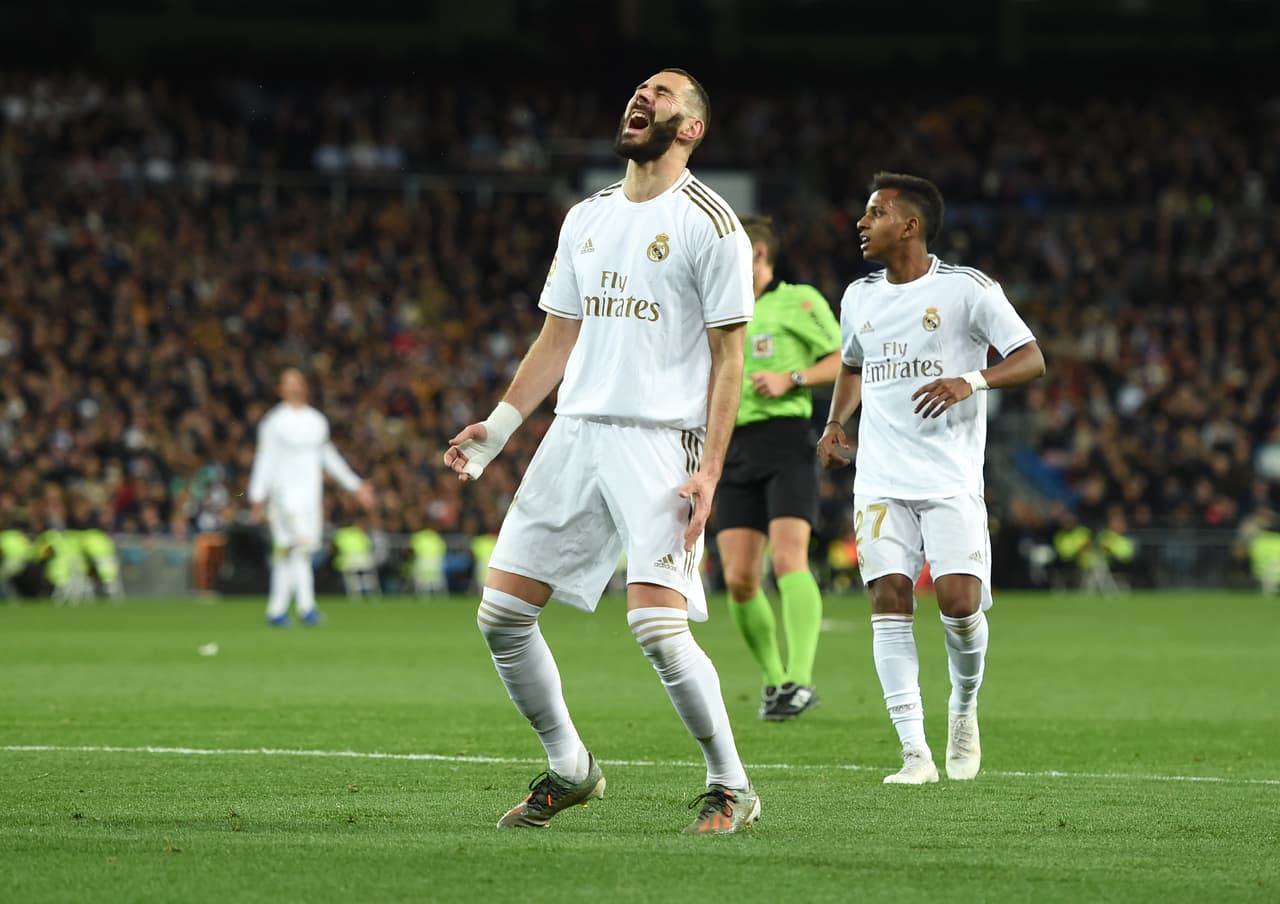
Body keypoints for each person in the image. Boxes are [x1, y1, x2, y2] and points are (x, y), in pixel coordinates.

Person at [444, 68, 760, 834]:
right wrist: (501, 426)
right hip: (576, 433)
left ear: (691, 128)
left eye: (664, 94)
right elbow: (559, 336)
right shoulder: (585, 217)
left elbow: (730, 360)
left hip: (661, 441)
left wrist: (711, 469)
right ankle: (572, 768)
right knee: (501, 615)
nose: (642, 97)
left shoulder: (712, 224)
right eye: (640, 89)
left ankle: (732, 786)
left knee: (656, 626)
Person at [817, 172, 1046, 784]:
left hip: (949, 479)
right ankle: (914, 752)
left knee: (959, 605)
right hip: (880, 480)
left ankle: (964, 706)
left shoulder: (968, 290)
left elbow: (1031, 358)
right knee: (889, 599)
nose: (862, 223)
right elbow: (851, 366)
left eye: (875, 213)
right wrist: (836, 424)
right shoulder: (859, 296)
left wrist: (969, 381)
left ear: (909, 226)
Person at [714, 215, 842, 721]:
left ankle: (802, 679)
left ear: (760, 256)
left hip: (786, 440)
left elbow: (841, 358)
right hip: (731, 446)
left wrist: (792, 377)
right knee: (741, 578)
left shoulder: (800, 300)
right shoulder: (719, 309)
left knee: (789, 559)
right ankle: (774, 682)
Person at [248, 368, 375, 626]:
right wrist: (258, 496)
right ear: (280, 389)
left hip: (310, 498)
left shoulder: (316, 421)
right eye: (288, 382)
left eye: (298, 382)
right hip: (284, 496)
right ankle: (307, 608)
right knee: (299, 547)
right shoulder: (274, 423)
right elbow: (265, 460)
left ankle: (277, 611)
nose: (294, 387)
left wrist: (355, 486)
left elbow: (328, 457)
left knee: (290, 552)